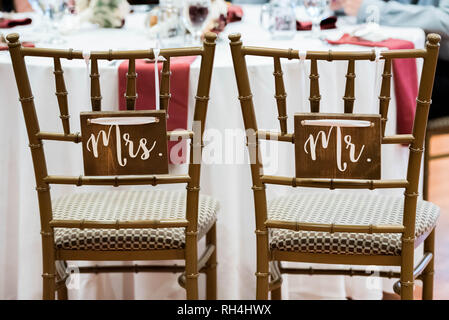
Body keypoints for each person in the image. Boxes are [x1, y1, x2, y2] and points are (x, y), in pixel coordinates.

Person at [333, 0, 449, 118]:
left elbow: (445, 19)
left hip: (439, 70)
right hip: (394, 61)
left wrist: (372, 9)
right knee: (351, 83)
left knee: (365, 91)